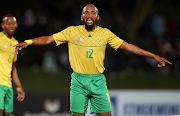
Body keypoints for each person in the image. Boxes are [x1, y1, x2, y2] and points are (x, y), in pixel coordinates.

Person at [14, 4, 172, 116]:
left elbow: (128, 46)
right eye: (86, 12)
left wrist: (153, 55)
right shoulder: (71, 32)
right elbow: (49, 39)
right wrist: (28, 42)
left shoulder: (105, 34)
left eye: (93, 12)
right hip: (78, 81)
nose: (89, 15)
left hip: (98, 81)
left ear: (97, 16)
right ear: (82, 16)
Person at [0, 14, 25, 116]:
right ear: (2, 25)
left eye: (13, 23)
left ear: (16, 25)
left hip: (8, 85)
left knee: (7, 113)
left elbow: (13, 67)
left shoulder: (16, 43)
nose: (10, 26)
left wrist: (19, 86)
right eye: (8, 23)